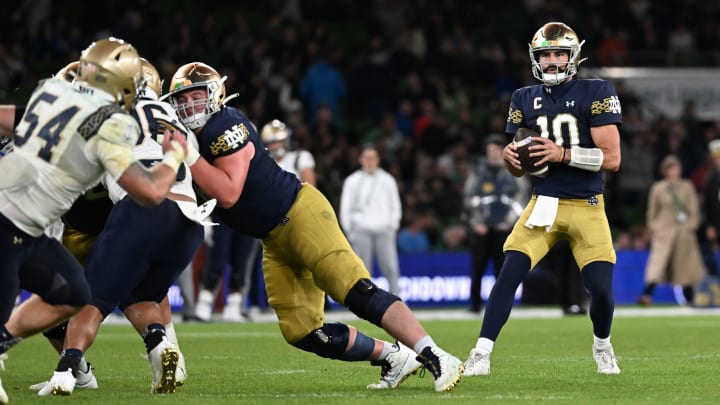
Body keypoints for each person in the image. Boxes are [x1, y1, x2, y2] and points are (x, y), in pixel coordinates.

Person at [164, 61, 463, 392]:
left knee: (355, 291)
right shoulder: (190, 141)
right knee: (303, 331)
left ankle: (435, 354)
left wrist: (188, 156)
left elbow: (229, 193)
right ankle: (393, 357)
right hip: (273, 240)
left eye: (195, 97)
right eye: (182, 100)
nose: (189, 106)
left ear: (215, 94)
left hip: (300, 213)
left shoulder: (225, 124)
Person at [0, 37, 188, 404]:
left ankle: (68, 367)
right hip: (12, 223)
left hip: (37, 228)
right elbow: (150, 193)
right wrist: (175, 156)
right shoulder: (107, 125)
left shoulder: (56, 100)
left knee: (75, 293)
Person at [462, 22, 623, 377]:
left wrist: (561, 154)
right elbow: (522, 169)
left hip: (587, 204)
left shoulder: (595, 90)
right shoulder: (523, 97)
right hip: (544, 202)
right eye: (545, 54)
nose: (551, 60)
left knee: (601, 291)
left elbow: (611, 159)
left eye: (558, 53)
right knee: (508, 275)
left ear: (573, 56)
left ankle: (602, 345)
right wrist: (511, 160)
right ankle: (481, 352)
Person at [462, 134, 529, 313]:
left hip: (504, 229)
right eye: (490, 150)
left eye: (496, 150)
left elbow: (522, 198)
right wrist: (476, 223)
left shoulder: (514, 170)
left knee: (503, 270)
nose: (492, 153)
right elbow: (469, 198)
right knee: (477, 268)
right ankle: (474, 305)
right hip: (481, 229)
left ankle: (502, 305)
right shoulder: (478, 171)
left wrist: (509, 223)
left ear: (503, 151)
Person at [638, 154, 706, 306]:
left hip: (683, 231)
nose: (675, 171)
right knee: (657, 262)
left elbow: (693, 211)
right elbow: (652, 211)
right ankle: (647, 294)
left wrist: (689, 227)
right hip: (664, 231)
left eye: (677, 168)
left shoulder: (687, 186)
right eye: (671, 168)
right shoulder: (658, 188)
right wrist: (654, 227)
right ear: (665, 170)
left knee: (684, 265)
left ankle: (689, 297)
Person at [339, 144, 403, 295]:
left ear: (378, 160)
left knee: (391, 267)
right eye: (367, 158)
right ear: (361, 159)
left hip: (384, 229)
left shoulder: (387, 180)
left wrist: (393, 225)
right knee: (362, 271)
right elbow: (345, 207)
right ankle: (364, 304)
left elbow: (395, 205)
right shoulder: (352, 181)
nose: (370, 161)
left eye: (373, 158)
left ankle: (397, 300)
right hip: (361, 230)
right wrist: (350, 230)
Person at [194, 217, 259, 322]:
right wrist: (206, 217)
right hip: (221, 215)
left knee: (240, 265)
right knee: (216, 262)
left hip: (245, 216)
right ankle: (204, 304)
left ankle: (234, 306)